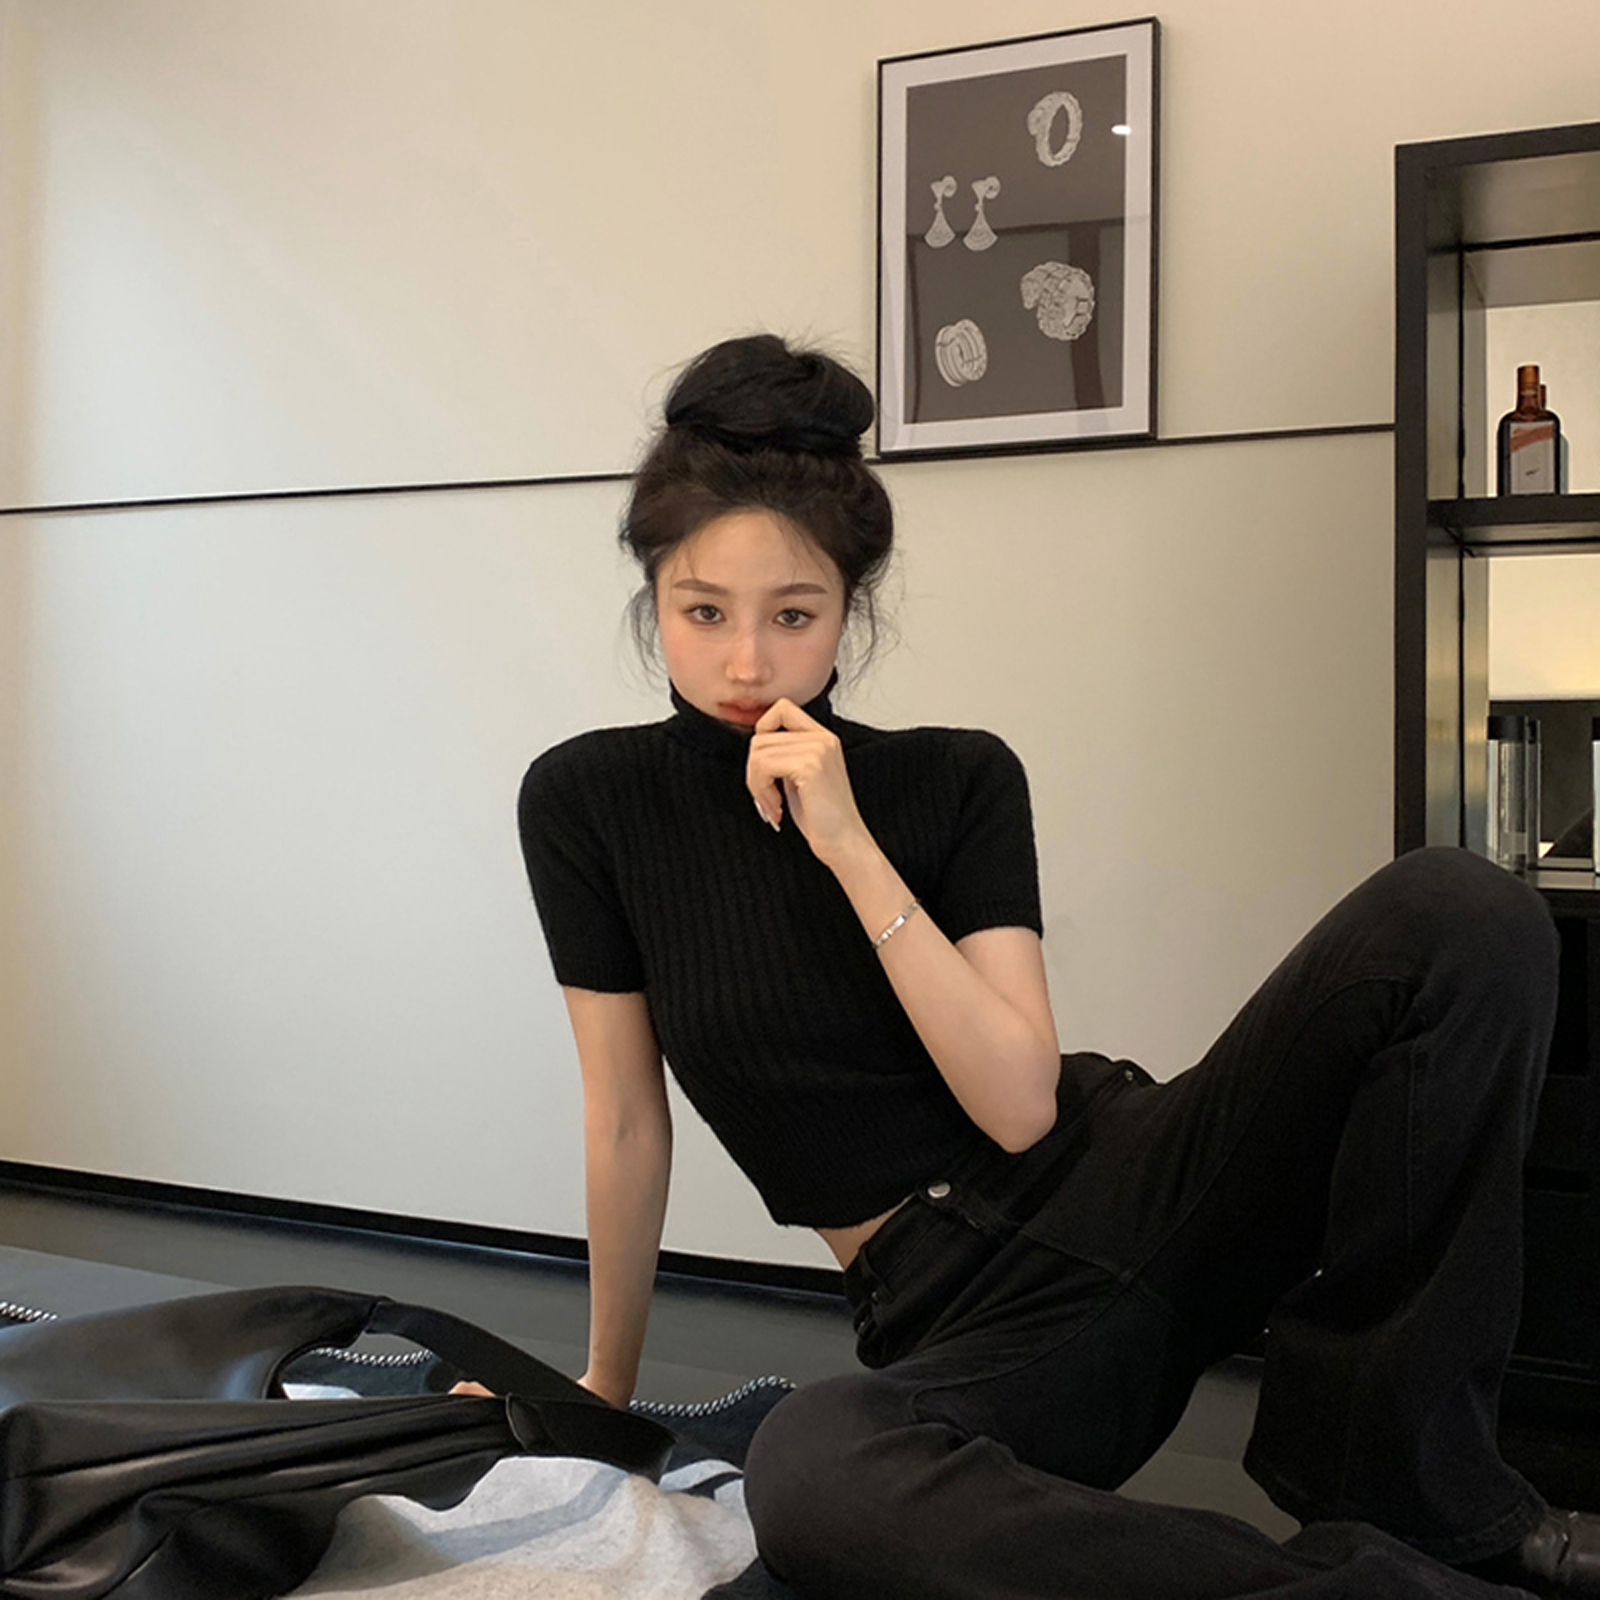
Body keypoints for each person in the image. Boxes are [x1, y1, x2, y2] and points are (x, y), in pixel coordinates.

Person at [510, 332, 1600, 1599]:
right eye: (703, 613)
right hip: (972, 1319)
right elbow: (626, 1118)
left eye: (793, 616)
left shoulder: (956, 774)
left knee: (1461, 908)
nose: (747, 663)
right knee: (813, 1470)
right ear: (652, 596)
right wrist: (605, 1386)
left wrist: (849, 845)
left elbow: (1021, 1104)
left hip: (1139, 1175)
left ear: (850, 608)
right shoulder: (586, 802)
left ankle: (1410, 1486)